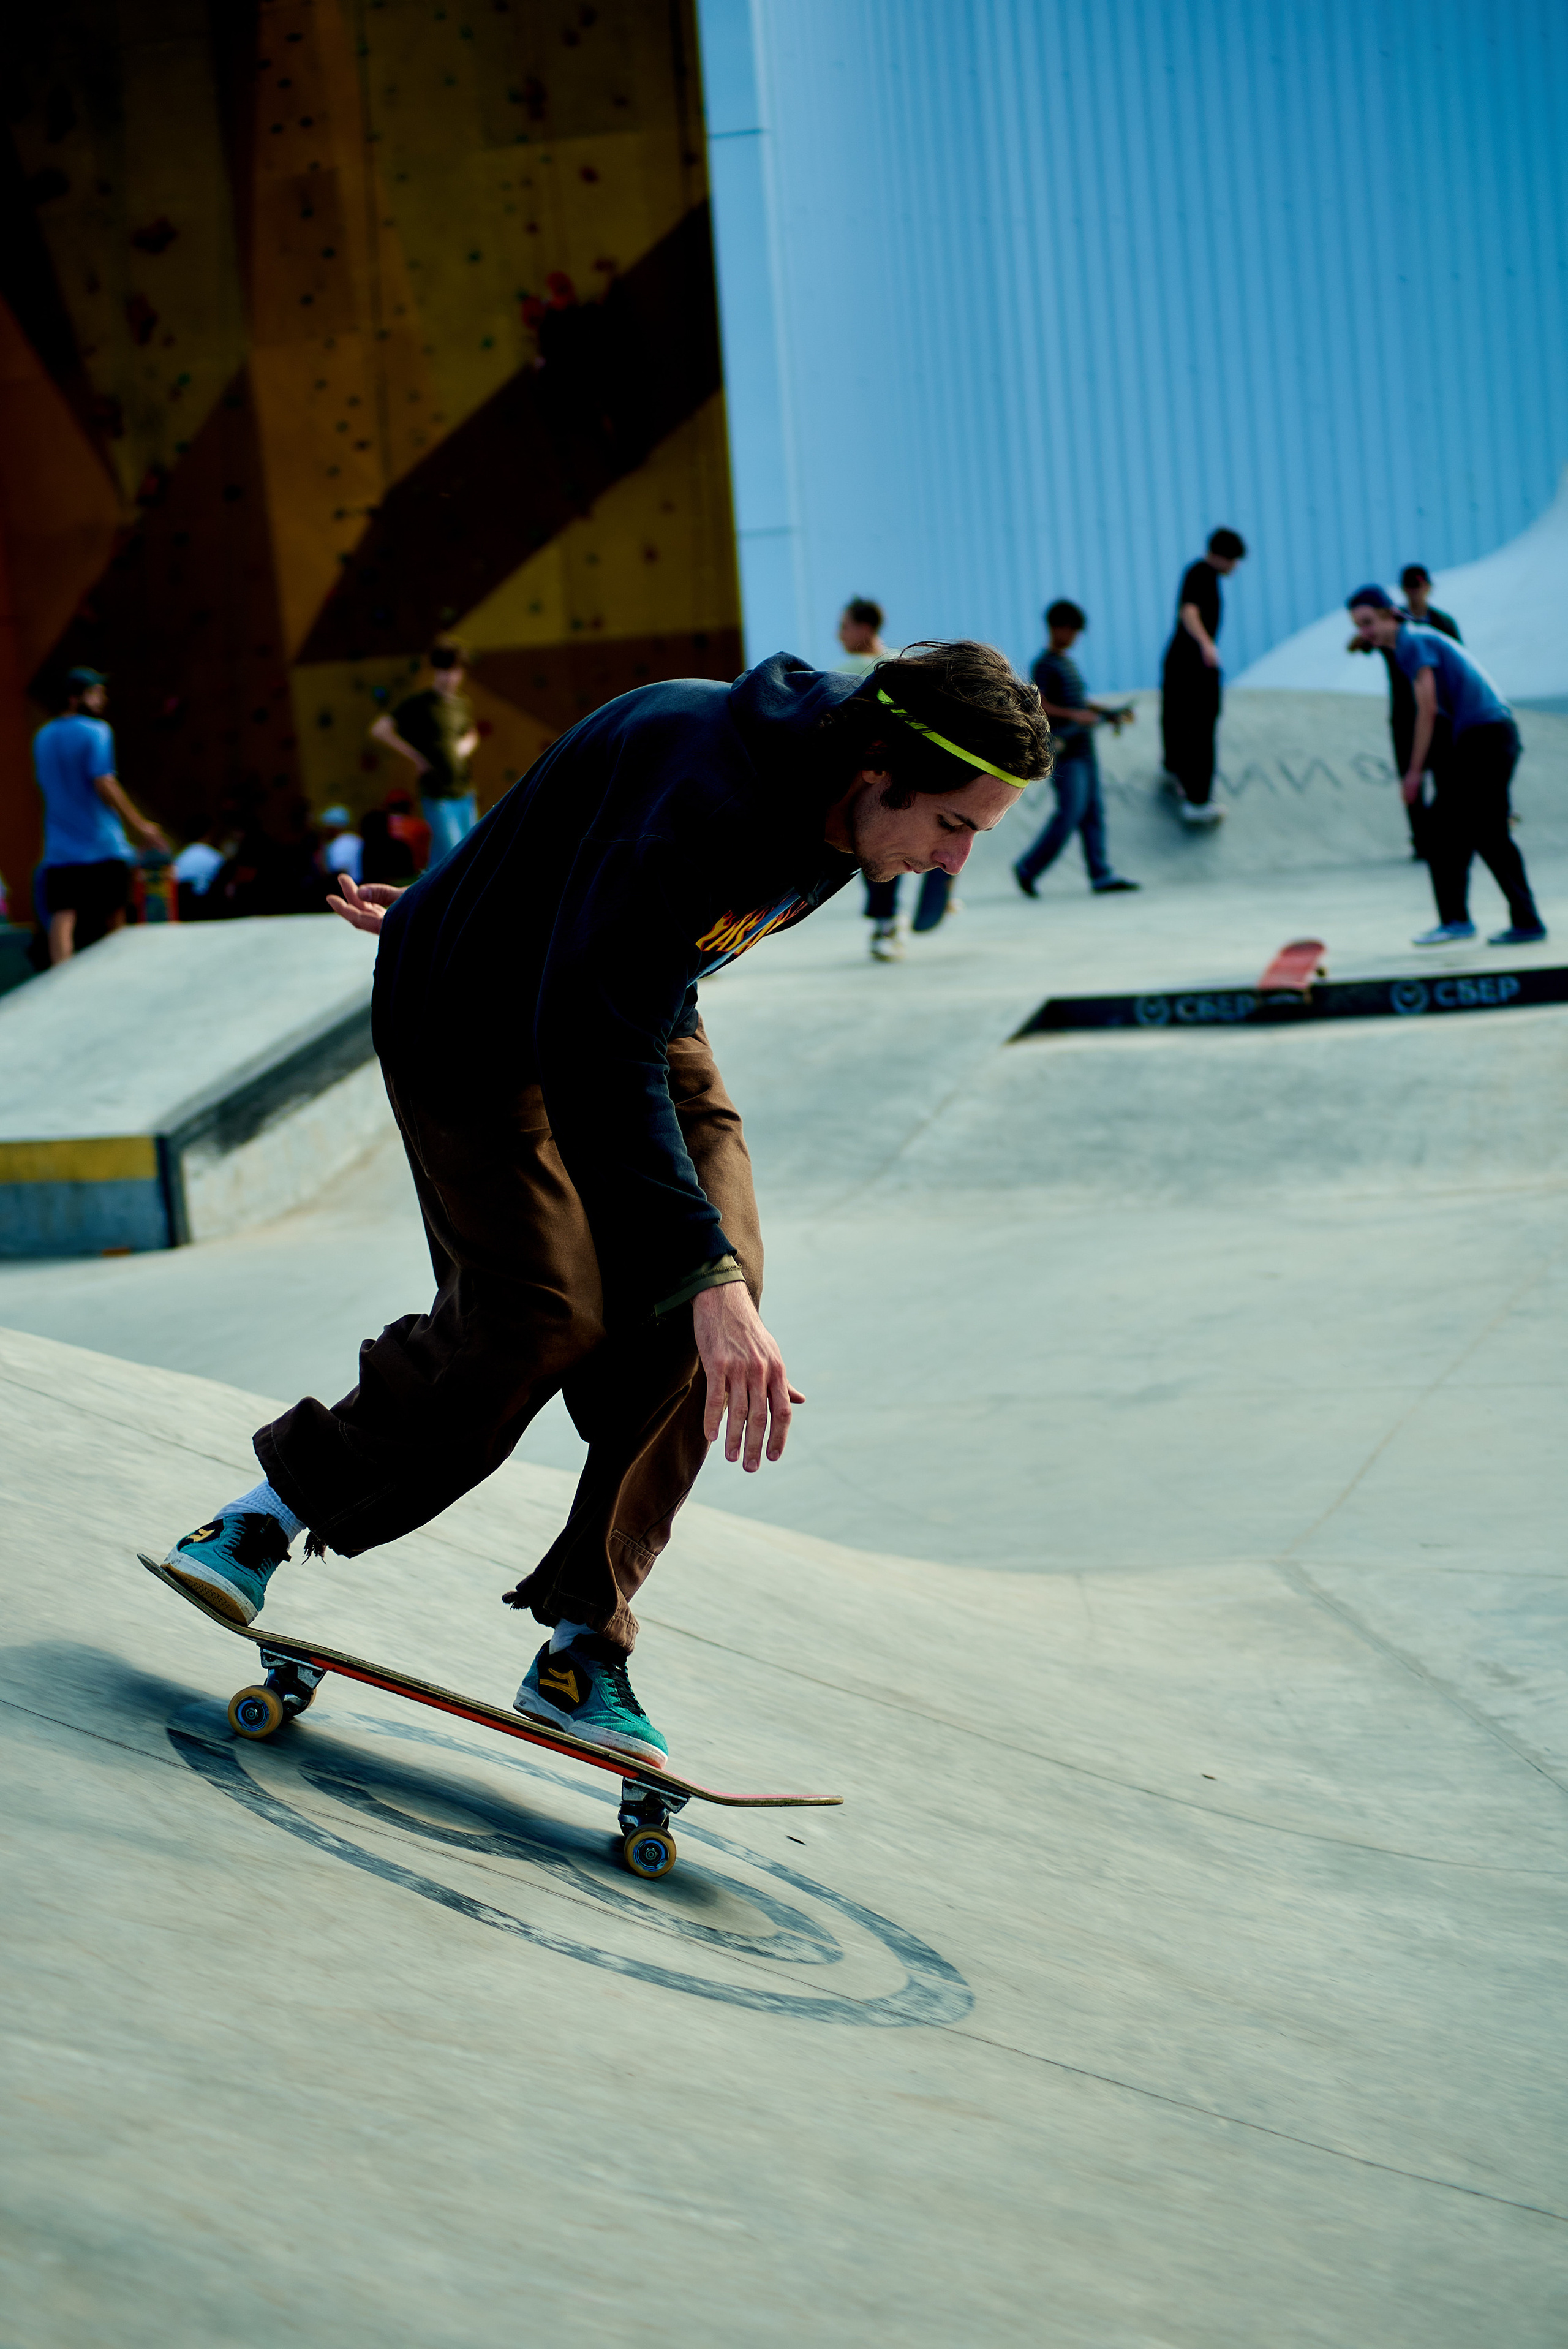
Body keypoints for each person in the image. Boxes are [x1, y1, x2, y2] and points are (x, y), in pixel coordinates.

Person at [156, 643, 1049, 1763]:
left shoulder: (854, 779)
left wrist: (466, 891)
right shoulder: (708, 803)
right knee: (541, 1311)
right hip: (475, 1024)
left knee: (720, 1316)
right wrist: (460, 922)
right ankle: (261, 1513)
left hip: (632, 1000)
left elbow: (573, 844)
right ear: (878, 767)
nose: (955, 861)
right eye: (955, 827)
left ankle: (585, 1643)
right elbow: (589, 1043)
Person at [1347, 586, 1545, 947]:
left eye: (1368, 622)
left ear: (1390, 614)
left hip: (1486, 736)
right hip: (1478, 737)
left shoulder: (1412, 643)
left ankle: (1522, 920)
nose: (1365, 632)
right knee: (1446, 829)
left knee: (1486, 830)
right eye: (1359, 626)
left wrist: (1414, 771)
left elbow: (1428, 709)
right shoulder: (1410, 640)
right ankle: (1458, 920)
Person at [32, 667, 168, 962]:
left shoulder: (42, 736)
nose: (101, 699)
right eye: (94, 693)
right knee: (115, 914)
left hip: (60, 848)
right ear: (73, 698)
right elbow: (104, 782)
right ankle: (116, 974)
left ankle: (61, 978)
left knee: (63, 916)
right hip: (103, 843)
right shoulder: (97, 731)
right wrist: (140, 825)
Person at [1013, 600, 1138, 898]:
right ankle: (1028, 868)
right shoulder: (1044, 664)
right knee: (1070, 813)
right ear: (1057, 628)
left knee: (1093, 812)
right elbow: (1039, 703)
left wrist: (1109, 713)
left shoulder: (1067, 663)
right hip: (1065, 750)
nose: (1073, 636)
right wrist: (1076, 716)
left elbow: (1081, 703)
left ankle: (1100, 874)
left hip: (1085, 748)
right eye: (1070, 629)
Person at [1351, 573, 1461, 860]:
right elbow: (1364, 640)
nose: (1414, 593)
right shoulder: (1384, 624)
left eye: (1418, 587)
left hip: (1436, 708)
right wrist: (1362, 639)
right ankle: (1422, 839)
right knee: (1412, 779)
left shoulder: (1429, 627)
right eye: (1409, 588)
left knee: (1440, 772)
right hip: (1403, 711)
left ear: (1428, 588)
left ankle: (1446, 832)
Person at [1160, 527, 1246, 825]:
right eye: (1234, 561)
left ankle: (1175, 770)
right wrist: (1208, 646)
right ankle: (1197, 799)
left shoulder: (1198, 573)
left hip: (1180, 660)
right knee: (1201, 725)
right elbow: (1190, 611)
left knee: (1177, 716)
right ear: (1224, 556)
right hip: (1193, 663)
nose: (1235, 568)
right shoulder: (1203, 573)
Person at [370, 642, 480, 866]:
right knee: (457, 856)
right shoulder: (420, 703)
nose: (450, 677)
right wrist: (415, 756)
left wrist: (466, 745)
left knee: (466, 853)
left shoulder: (462, 705)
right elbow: (380, 729)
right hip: (438, 794)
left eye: (456, 670)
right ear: (436, 671)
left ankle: (429, 898)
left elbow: (471, 733)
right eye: (445, 670)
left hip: (464, 791)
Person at [835, 598, 891, 678]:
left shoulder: (845, 672)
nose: (840, 636)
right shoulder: (906, 661)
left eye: (845, 627)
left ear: (864, 629)